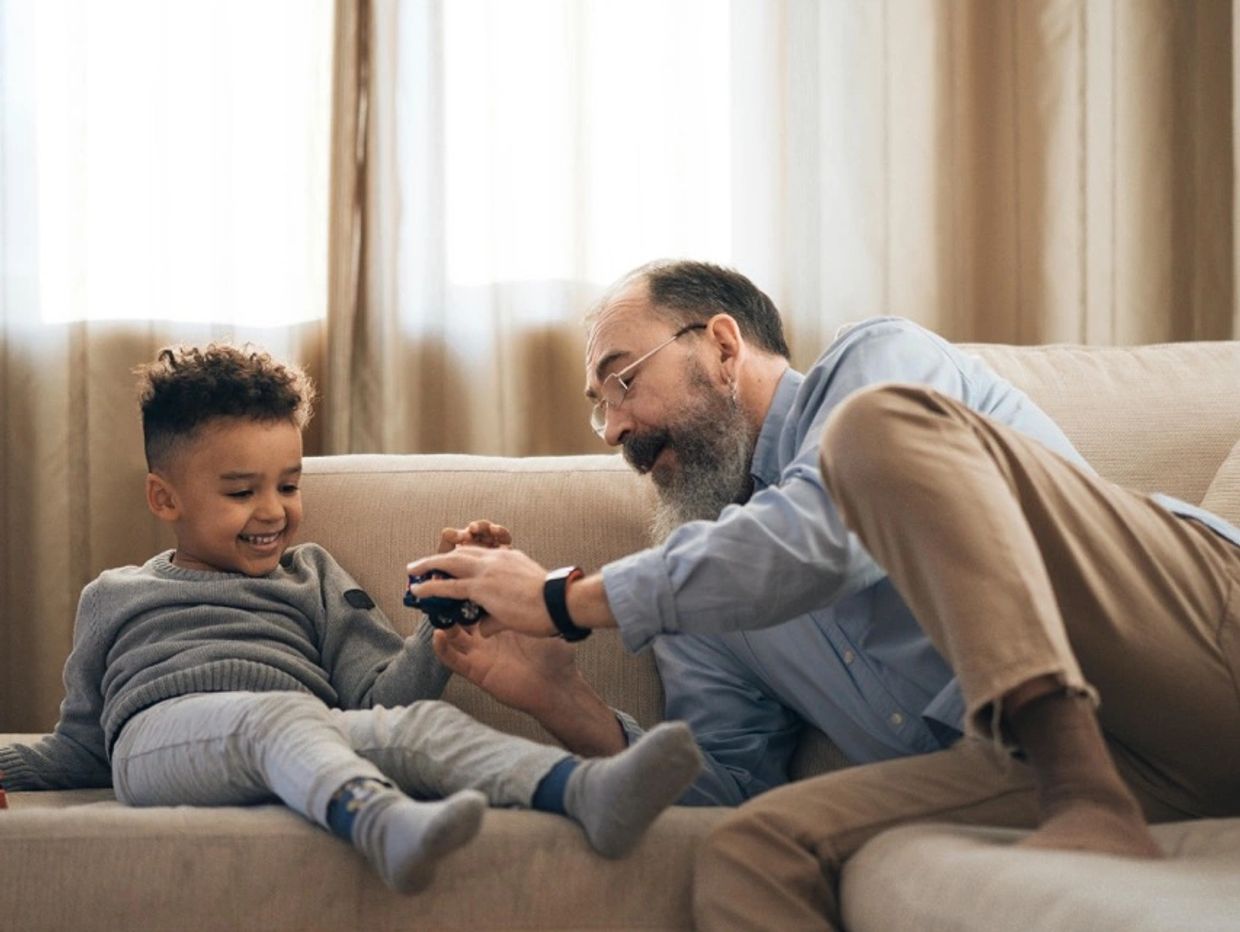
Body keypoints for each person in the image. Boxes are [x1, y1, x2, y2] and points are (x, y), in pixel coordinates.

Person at [406, 259, 1240, 928]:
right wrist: (563, 698)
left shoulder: (876, 364)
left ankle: (1083, 791)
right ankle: (1077, 783)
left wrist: (566, 602)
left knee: (875, 434)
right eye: (598, 410)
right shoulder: (691, 594)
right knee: (749, 850)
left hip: (1186, 643)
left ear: (724, 348)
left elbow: (822, 531)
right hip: (1054, 764)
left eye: (623, 381)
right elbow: (723, 790)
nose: (615, 427)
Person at [0, 343, 702, 896]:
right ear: (164, 498)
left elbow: (380, 701)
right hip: (162, 746)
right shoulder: (116, 595)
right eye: (242, 491)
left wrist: (440, 615)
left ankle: (588, 791)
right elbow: (80, 748)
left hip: (305, 730)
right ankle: (381, 824)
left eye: (289, 484)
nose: (273, 510)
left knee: (422, 730)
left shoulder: (315, 576)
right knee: (273, 718)